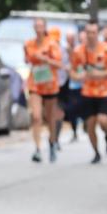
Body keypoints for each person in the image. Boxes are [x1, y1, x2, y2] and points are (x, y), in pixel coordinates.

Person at [70, 21, 107, 164]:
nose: (91, 35)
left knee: (102, 119)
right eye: (88, 32)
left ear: (97, 33)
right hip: (87, 92)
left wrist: (102, 74)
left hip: (105, 90)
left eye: (93, 32)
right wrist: (78, 77)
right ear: (84, 34)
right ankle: (96, 152)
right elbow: (73, 72)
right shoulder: (78, 51)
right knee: (90, 124)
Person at [24, 18, 63, 163]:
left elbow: (59, 64)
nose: (38, 28)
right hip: (35, 84)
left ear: (45, 27)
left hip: (50, 84)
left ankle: (52, 143)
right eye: (36, 25)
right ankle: (38, 149)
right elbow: (27, 59)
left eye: (41, 26)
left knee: (50, 118)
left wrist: (45, 60)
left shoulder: (52, 43)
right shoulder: (28, 43)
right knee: (36, 116)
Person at [61, 30, 84, 142]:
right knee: (71, 109)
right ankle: (74, 132)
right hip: (70, 85)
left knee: (83, 108)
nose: (70, 40)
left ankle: (86, 124)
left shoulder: (80, 49)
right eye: (68, 38)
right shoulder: (63, 51)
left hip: (83, 85)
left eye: (72, 38)